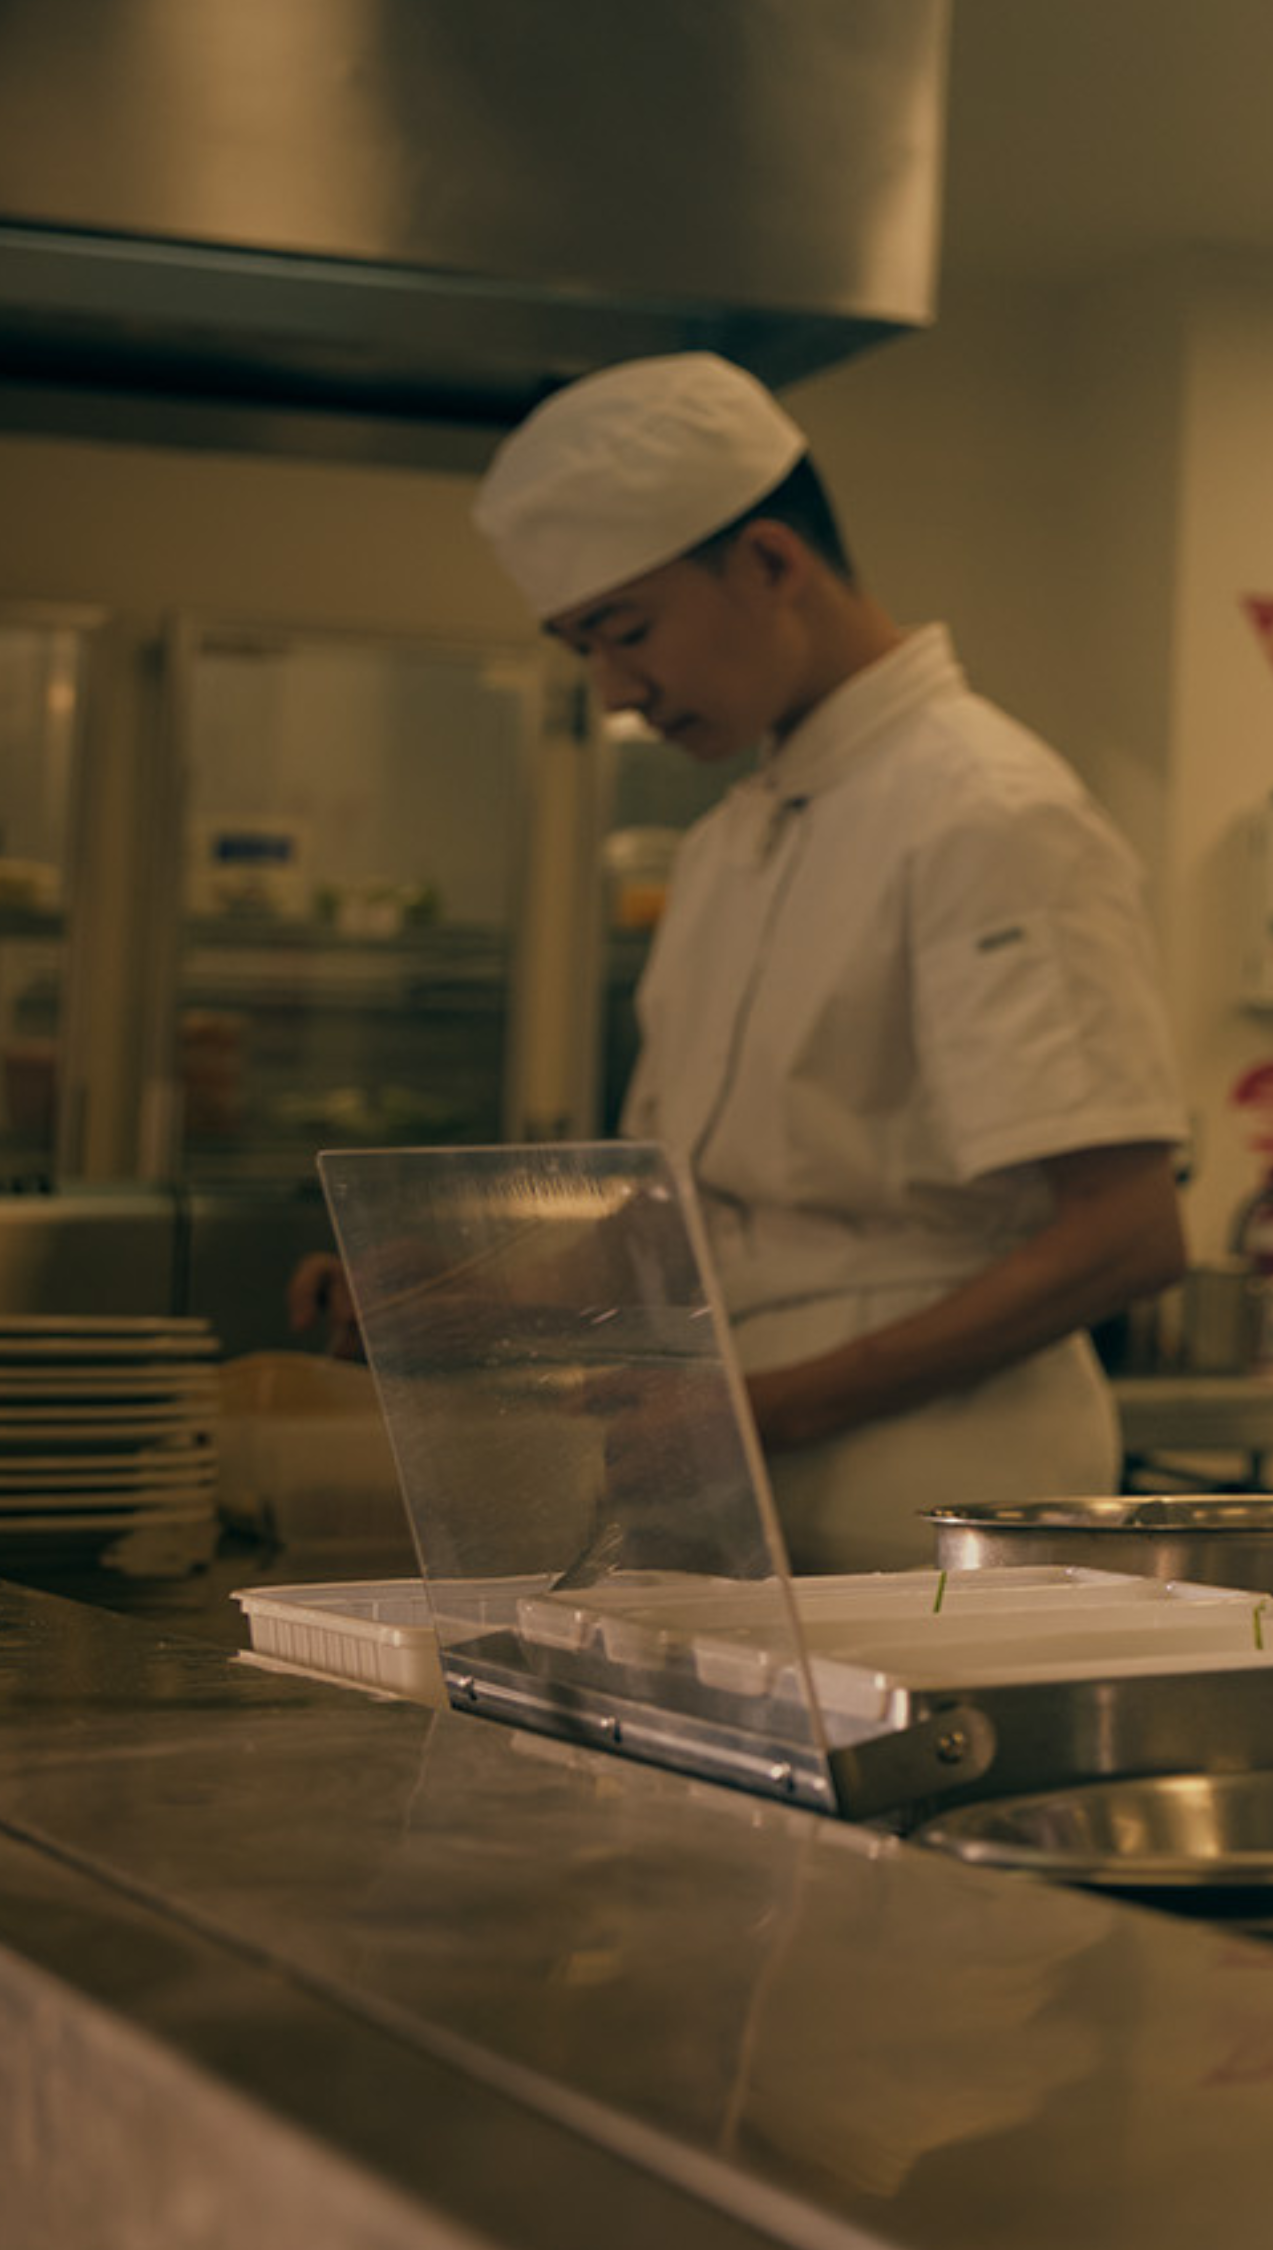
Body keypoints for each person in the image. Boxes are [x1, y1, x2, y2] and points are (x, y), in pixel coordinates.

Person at [293, 353, 1186, 1570]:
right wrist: (466, 1301)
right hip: (726, 1504)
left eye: (629, 631)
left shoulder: (987, 811)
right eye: (581, 648)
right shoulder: (728, 844)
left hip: (938, 1526)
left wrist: (760, 1412)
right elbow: (690, 1216)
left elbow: (1128, 1235)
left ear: (771, 563)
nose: (615, 692)